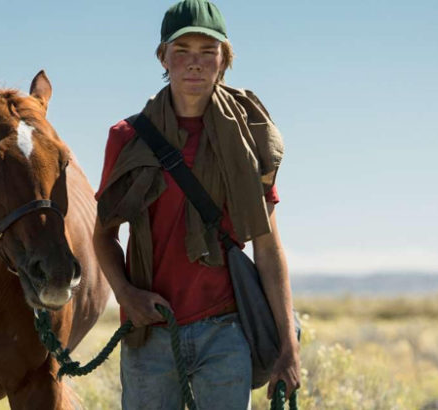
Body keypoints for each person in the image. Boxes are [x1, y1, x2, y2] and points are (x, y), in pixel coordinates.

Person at [92, 0, 300, 408]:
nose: (195, 63)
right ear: (163, 57)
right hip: (151, 333)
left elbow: (267, 247)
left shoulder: (249, 135)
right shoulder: (128, 138)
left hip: (226, 334)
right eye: (182, 50)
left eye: (208, 51)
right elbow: (103, 236)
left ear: (224, 60)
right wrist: (126, 294)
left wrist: (288, 346)